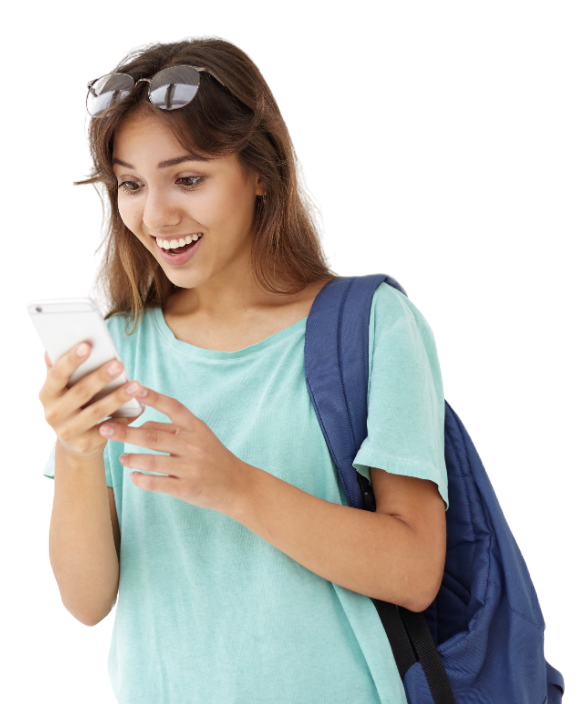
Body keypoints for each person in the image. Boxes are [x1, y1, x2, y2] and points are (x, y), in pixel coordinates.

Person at [39, 36, 448, 704]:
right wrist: (78, 448)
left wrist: (235, 486)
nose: (156, 215)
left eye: (188, 179)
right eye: (132, 184)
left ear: (260, 172)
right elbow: (87, 603)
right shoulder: (121, 344)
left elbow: (415, 571)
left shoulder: (373, 324)